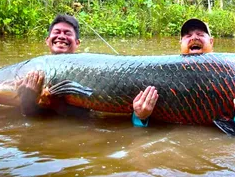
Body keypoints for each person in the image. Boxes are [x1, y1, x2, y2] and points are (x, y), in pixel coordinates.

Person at [18, 14, 153, 125]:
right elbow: (34, 125)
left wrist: (140, 118)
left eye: (67, 33)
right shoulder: (31, 70)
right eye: (57, 32)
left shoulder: (95, 70)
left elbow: (94, 120)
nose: (61, 36)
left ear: (77, 43)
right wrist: (28, 101)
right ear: (47, 40)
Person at [131, 18, 235, 135]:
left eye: (200, 34)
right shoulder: (162, 72)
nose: (194, 37)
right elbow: (139, 132)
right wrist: (140, 117)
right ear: (181, 44)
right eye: (188, 36)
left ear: (211, 41)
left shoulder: (230, 71)